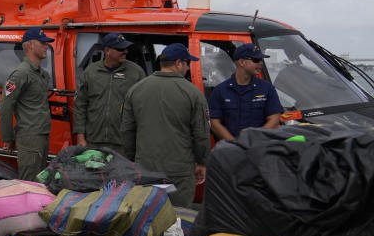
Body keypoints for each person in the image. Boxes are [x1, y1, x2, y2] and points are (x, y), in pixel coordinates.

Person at [120, 43, 210, 207]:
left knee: (146, 216)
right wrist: (202, 162)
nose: (188, 68)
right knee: (177, 217)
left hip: (145, 169)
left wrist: (133, 161)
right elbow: (201, 135)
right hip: (179, 172)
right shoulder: (193, 93)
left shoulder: (136, 90)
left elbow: (126, 131)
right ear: (178, 63)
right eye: (187, 63)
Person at [73, 32, 145, 151]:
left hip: (123, 143)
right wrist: (80, 137)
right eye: (120, 49)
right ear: (107, 50)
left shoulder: (136, 73)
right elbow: (80, 106)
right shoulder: (91, 72)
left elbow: (143, 108)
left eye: (126, 48)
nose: (125, 52)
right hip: (94, 141)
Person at [0, 28, 53, 181]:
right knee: (28, 182)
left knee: (40, 181)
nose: (46, 46)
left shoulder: (40, 73)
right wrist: (7, 138)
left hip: (41, 135)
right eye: (42, 43)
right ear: (30, 45)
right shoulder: (21, 74)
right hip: (29, 137)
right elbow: (5, 106)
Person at [208, 43, 283, 141]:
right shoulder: (220, 91)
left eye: (261, 60)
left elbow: (274, 119)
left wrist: (254, 138)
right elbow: (214, 124)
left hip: (259, 148)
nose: (260, 63)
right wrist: (235, 145)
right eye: (256, 60)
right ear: (242, 62)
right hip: (231, 151)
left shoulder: (267, 88)